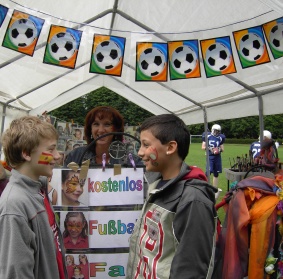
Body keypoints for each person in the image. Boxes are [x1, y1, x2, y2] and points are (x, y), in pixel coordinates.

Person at [126, 114, 217, 279]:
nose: (139, 153)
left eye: (146, 145)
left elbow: (192, 270)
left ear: (170, 147)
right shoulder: (156, 184)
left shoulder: (193, 200)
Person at [0, 115, 68, 279]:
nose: (57, 156)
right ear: (26, 154)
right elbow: (16, 273)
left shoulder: (39, 190)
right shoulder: (14, 206)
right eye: (51, 149)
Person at [201, 124, 225, 188]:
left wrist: (218, 149)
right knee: (208, 172)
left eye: (218, 131)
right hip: (210, 157)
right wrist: (210, 148)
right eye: (215, 131)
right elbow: (203, 147)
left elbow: (223, 149)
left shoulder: (220, 137)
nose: (216, 132)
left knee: (216, 173)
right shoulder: (208, 136)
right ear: (212, 130)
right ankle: (206, 187)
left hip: (217, 157)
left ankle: (214, 188)